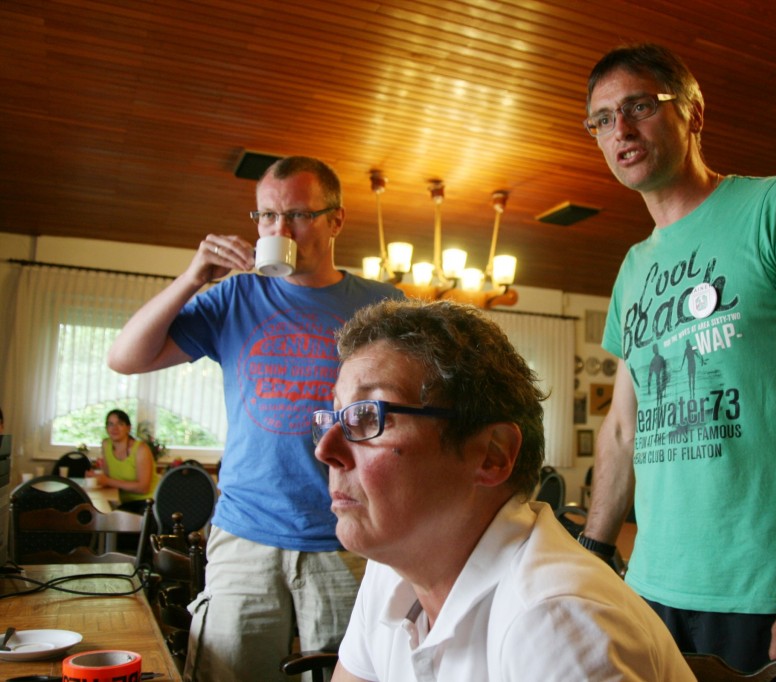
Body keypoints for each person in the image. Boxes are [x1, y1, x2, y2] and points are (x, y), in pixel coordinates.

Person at [578, 43, 776, 679]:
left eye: (639, 106)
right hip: (650, 586)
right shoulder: (633, 268)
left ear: (693, 113)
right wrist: (593, 557)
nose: (621, 130)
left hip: (767, 590)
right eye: (603, 119)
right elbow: (621, 429)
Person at [107, 156, 403, 682]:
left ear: (336, 220)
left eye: (298, 215)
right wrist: (193, 277)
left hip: (350, 536)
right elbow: (125, 358)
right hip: (245, 534)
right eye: (267, 216)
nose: (280, 230)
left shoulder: (382, 307)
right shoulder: (234, 298)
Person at [314, 299, 694, 681]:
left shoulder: (555, 628)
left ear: (492, 455)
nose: (325, 450)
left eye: (369, 415)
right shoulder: (393, 570)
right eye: (335, 416)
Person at [88, 409, 158, 513]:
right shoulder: (106, 444)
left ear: (128, 428)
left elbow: (143, 488)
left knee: (107, 518)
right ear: (106, 428)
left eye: (120, 424)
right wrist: (95, 478)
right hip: (125, 502)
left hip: (148, 503)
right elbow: (107, 477)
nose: (114, 428)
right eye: (110, 424)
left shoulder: (141, 449)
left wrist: (107, 481)